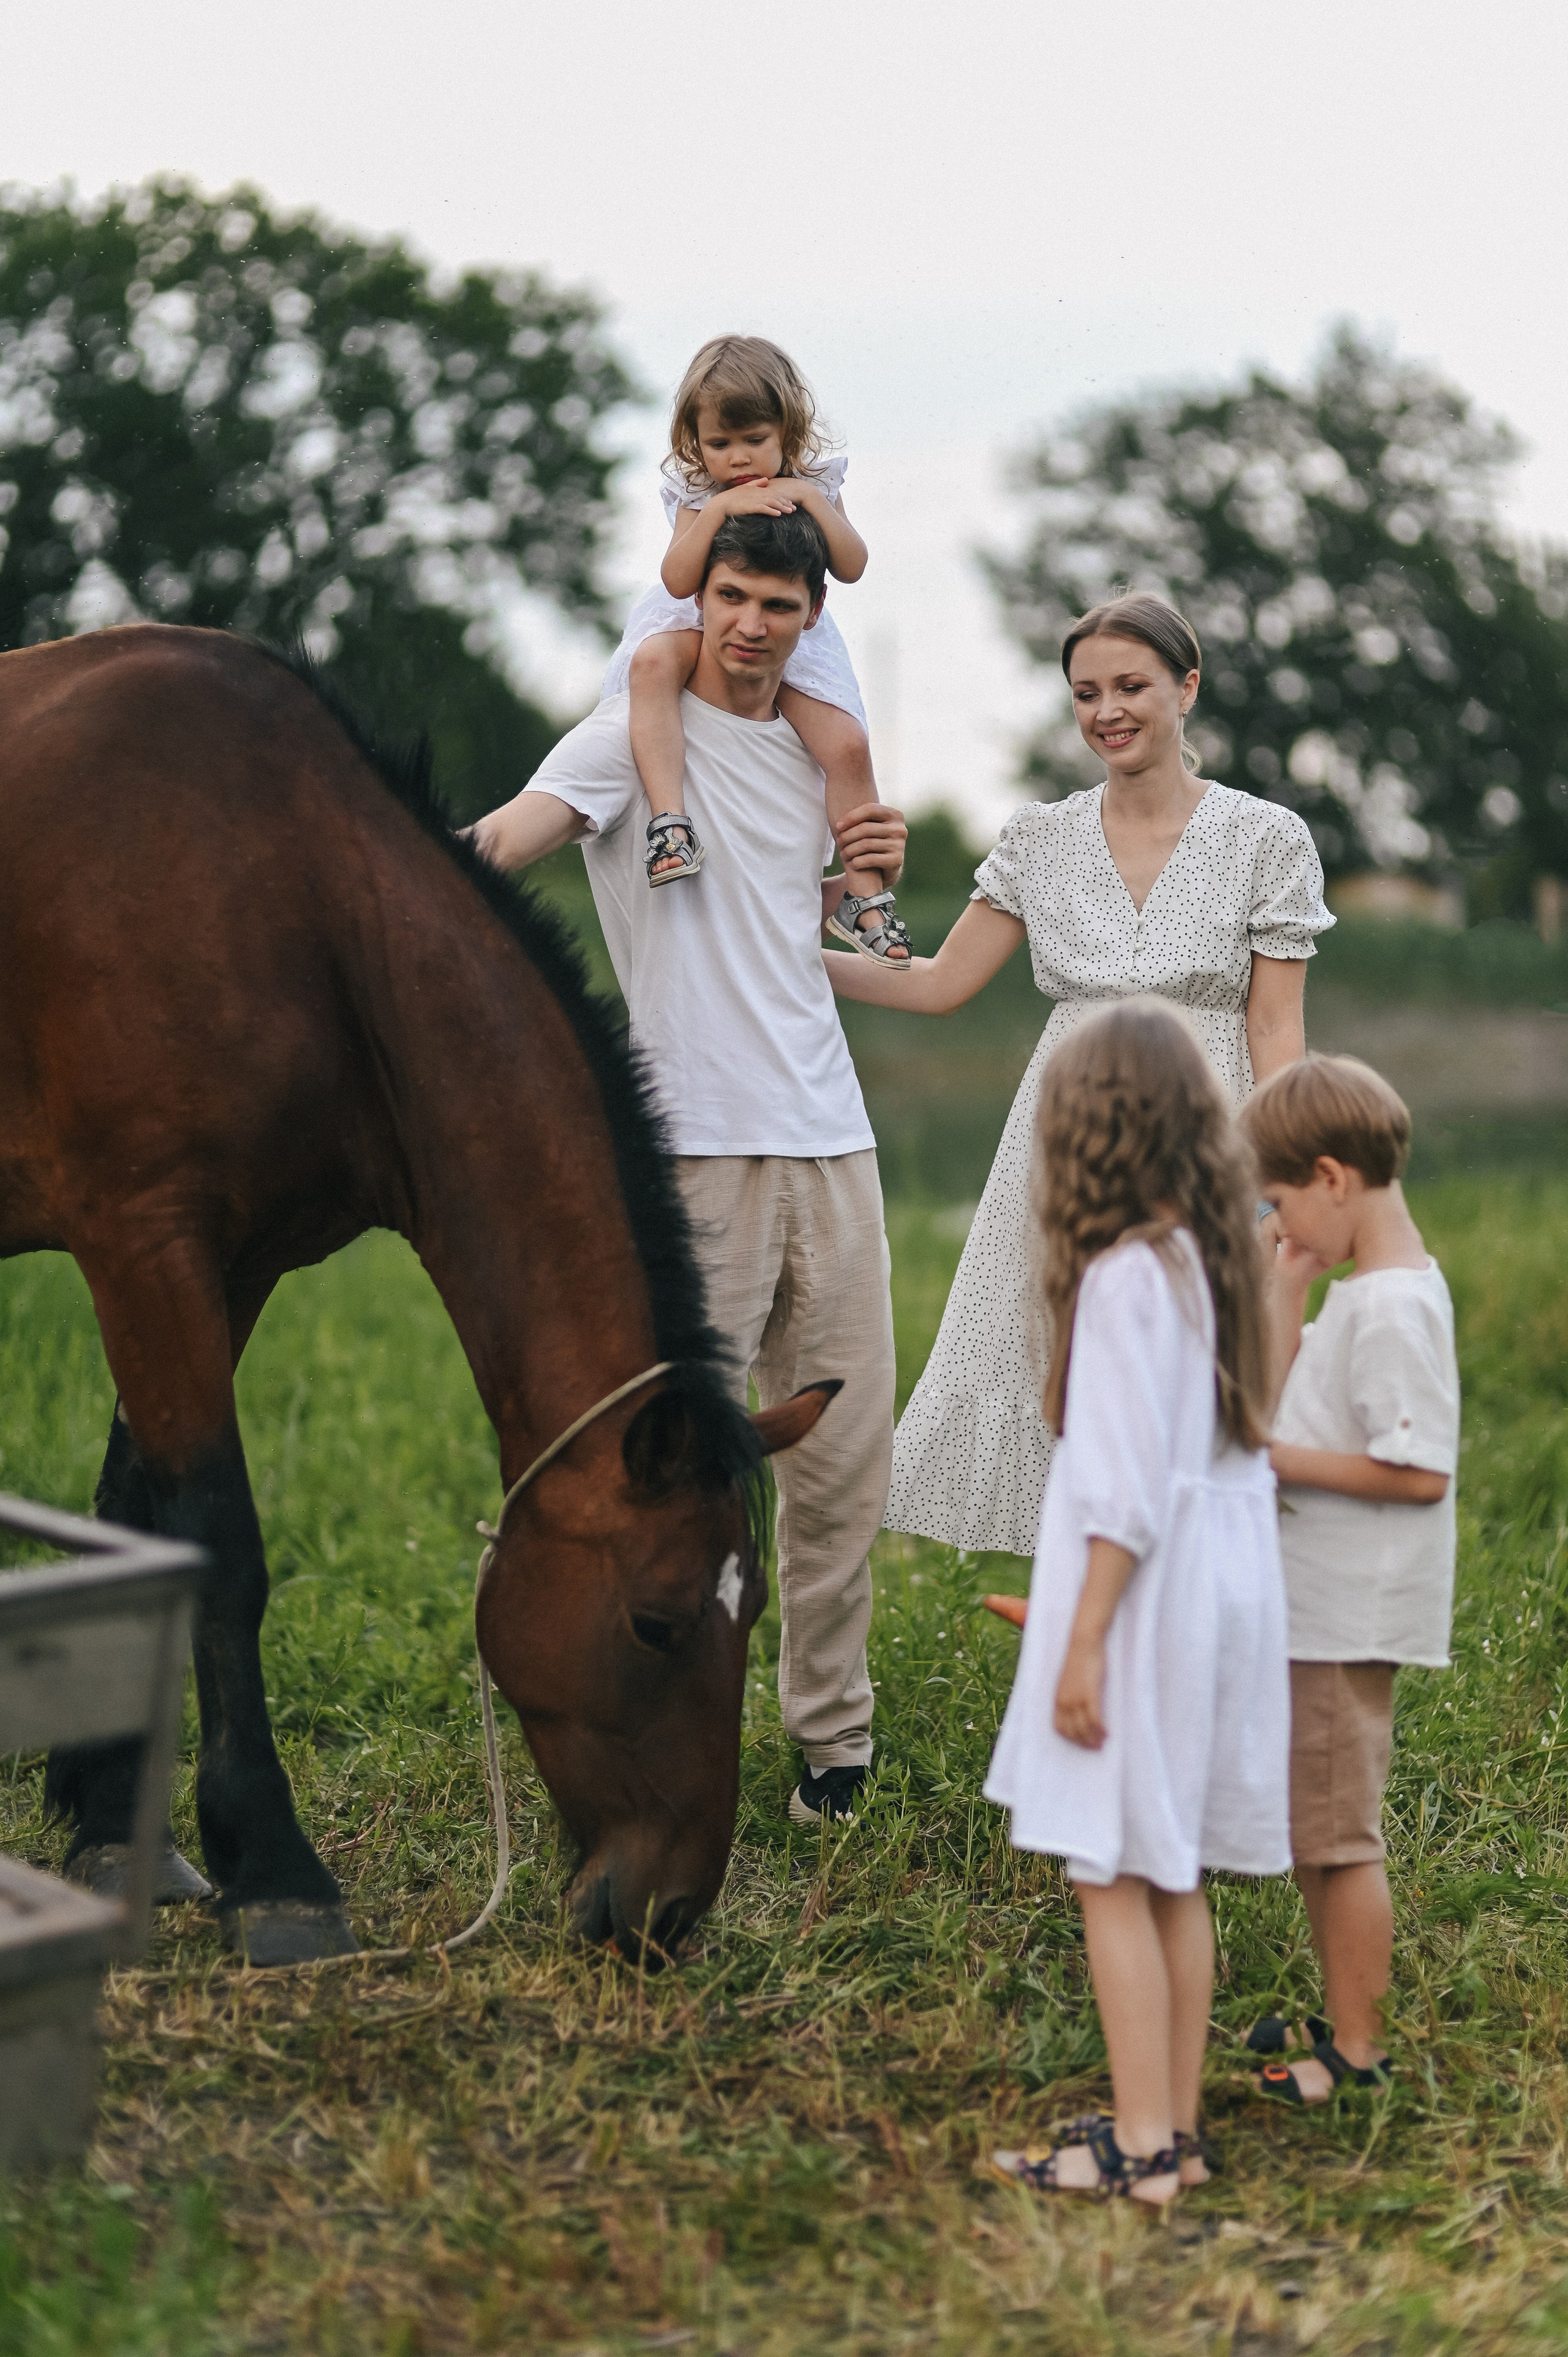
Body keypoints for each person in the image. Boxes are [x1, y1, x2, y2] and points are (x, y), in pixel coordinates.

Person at [470, 505, 906, 1826]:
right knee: (660, 1474)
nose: (751, 624)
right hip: (690, 1158)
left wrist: (863, 886)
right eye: (731, 597)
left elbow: (829, 940)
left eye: (779, 605)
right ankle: (599, 1709)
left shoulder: (819, 761)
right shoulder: (625, 739)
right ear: (697, 599)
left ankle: (832, 1747)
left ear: (808, 621)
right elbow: (486, 859)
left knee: (840, 1469)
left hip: (831, 1142)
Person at [824, 591, 1334, 1558]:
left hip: (1211, 1136)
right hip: (1070, 1143)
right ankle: (1082, 1637)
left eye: (1132, 686)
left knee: (1200, 1377)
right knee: (1069, 1368)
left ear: (1187, 687)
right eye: (1086, 692)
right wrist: (784, 953)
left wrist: (1281, 1183)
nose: (1109, 711)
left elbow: (1276, 1030)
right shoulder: (1038, 838)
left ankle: (1195, 1631)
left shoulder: (1267, 838)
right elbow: (936, 986)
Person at [985, 1000, 1291, 2203]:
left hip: (1140, 1602)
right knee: (1170, 1870)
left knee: (1106, 1869)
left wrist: (1080, 1642)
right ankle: (1173, 2128)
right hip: (1215, 1598)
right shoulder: (1208, 1265)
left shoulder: (1120, 1279)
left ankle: (1141, 2143)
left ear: (1088, 1137)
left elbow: (1117, 1491)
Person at [1240, 1054, 1459, 2103]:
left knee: (1338, 1838)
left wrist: (1275, 1464)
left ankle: (1358, 2053)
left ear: (1330, 1176)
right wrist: (1287, 1283)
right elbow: (1276, 1397)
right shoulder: (1362, 1290)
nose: (1278, 1226)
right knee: (1314, 1833)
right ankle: (1343, 2017)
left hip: (1347, 1613)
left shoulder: (1392, 1310)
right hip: (1314, 1606)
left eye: (1279, 1205)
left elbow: (1420, 1472)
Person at [601, 333, 910, 970]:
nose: (738, 459)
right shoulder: (698, 491)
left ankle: (865, 897)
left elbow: (850, 565)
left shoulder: (815, 480)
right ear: (694, 441)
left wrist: (812, 502)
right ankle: (670, 824)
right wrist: (720, 510)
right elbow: (679, 580)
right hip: (701, 616)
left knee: (848, 743)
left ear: (787, 432)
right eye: (719, 444)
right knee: (651, 666)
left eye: (754, 441)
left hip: (794, 633)